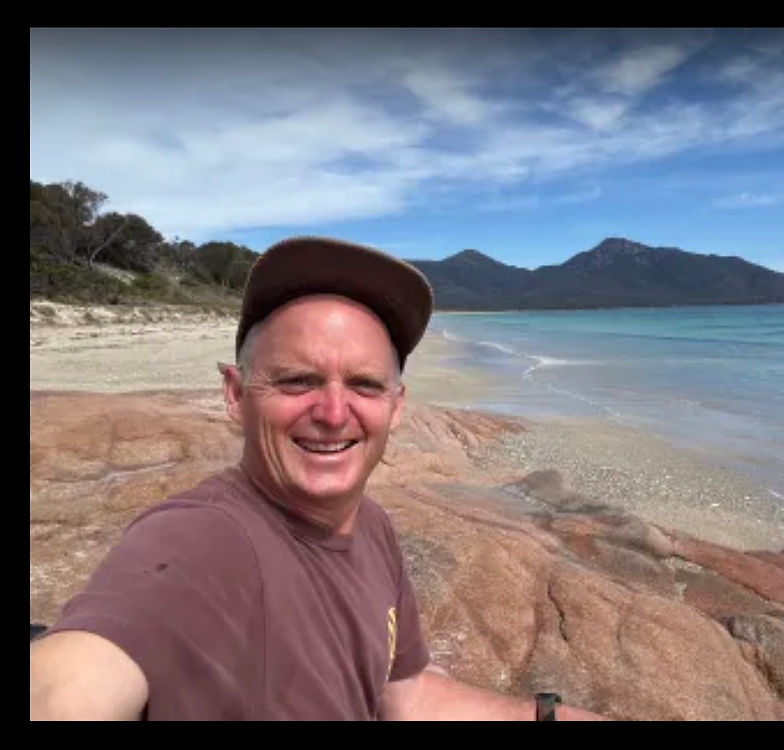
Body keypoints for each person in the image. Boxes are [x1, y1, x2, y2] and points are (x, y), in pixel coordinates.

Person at [30, 236, 606, 721]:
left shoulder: (372, 527)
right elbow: (67, 686)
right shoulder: (202, 540)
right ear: (235, 394)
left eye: (364, 385)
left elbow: (404, 696)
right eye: (298, 381)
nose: (333, 413)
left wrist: (545, 717)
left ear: (396, 406)